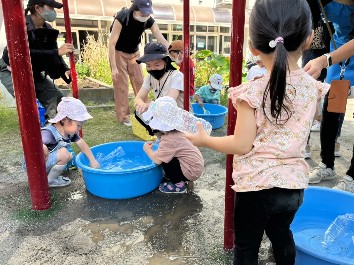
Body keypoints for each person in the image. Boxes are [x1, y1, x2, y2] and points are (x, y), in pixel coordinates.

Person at [186, 0, 329, 263]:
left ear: (252, 46)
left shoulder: (251, 91)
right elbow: (313, 117)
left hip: (256, 188)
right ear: (308, 40)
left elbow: (241, 145)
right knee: (281, 233)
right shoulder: (313, 87)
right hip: (293, 186)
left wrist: (204, 140)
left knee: (247, 246)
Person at [305, 0, 354, 186]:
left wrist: (324, 60)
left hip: (334, 55)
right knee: (332, 109)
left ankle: (353, 177)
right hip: (339, 48)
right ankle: (327, 165)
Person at [0, 0, 74, 119]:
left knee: (57, 99)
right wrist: (57, 52)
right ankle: (37, 130)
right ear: (38, 8)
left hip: (33, 70)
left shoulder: (48, 29)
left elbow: (55, 55)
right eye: (51, 8)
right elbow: (22, 55)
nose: (54, 12)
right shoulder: (20, 25)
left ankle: (51, 131)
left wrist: (65, 70)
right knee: (28, 103)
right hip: (11, 70)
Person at [108, 0, 169, 127]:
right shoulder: (122, 17)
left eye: (147, 13)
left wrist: (172, 50)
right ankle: (124, 117)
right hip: (119, 52)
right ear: (134, 9)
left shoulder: (149, 20)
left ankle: (145, 112)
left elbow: (161, 38)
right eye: (142, 13)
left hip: (134, 53)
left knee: (140, 83)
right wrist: (114, 67)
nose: (145, 16)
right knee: (121, 86)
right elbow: (112, 43)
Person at [142, 96, 204, 193]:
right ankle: (181, 177)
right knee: (167, 154)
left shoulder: (169, 140)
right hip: (195, 167)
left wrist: (147, 150)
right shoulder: (179, 131)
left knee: (165, 160)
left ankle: (178, 185)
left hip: (191, 172)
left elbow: (157, 160)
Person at [39, 97, 100, 187]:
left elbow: (82, 143)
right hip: (36, 167)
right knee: (64, 153)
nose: (79, 129)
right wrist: (43, 148)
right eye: (78, 125)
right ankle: (48, 181)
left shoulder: (69, 133)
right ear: (65, 120)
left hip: (46, 163)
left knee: (69, 155)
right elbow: (26, 145)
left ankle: (49, 177)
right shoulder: (48, 133)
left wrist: (92, 160)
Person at [134, 42, 185, 134]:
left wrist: (149, 105)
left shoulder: (177, 76)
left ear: (166, 62)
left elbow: (169, 102)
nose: (152, 68)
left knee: (153, 110)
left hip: (178, 117)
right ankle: (160, 138)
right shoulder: (150, 77)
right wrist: (141, 104)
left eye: (157, 65)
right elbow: (138, 98)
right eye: (148, 65)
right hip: (161, 113)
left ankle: (170, 137)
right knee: (139, 112)